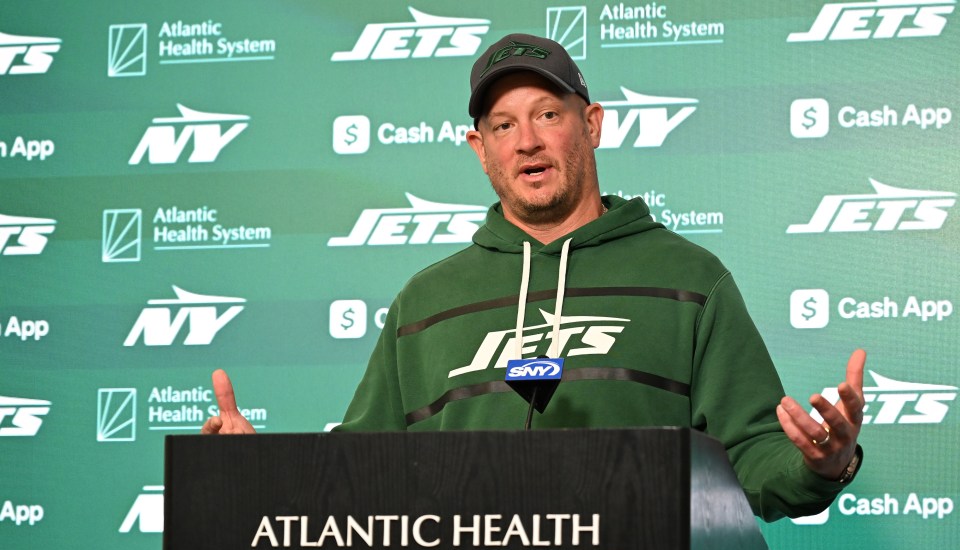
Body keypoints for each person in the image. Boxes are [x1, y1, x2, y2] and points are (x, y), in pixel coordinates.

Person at [202, 33, 865, 521]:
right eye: (503, 124)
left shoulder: (689, 280)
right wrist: (263, 474)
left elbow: (750, 458)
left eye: (548, 114)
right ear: (480, 149)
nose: (527, 141)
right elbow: (359, 480)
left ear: (593, 123)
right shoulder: (425, 303)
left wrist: (822, 464)